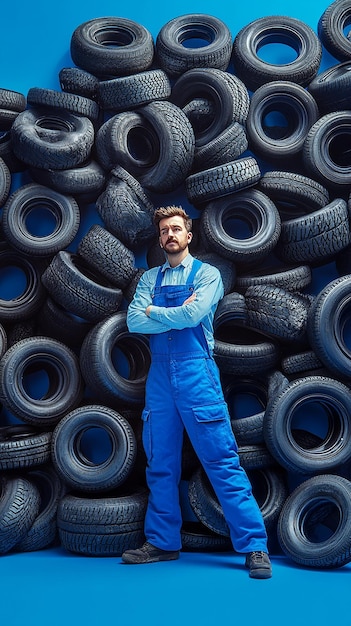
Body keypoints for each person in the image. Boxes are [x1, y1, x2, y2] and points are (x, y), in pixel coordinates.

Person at [122, 205, 272, 579]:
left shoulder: (209, 275)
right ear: (159, 240)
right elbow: (132, 320)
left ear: (189, 236)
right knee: (160, 464)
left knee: (222, 461)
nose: (169, 235)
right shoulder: (148, 279)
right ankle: (162, 543)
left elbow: (190, 317)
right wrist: (163, 311)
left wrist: (154, 312)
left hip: (197, 375)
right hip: (160, 381)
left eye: (175, 229)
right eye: (163, 231)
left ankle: (255, 546)